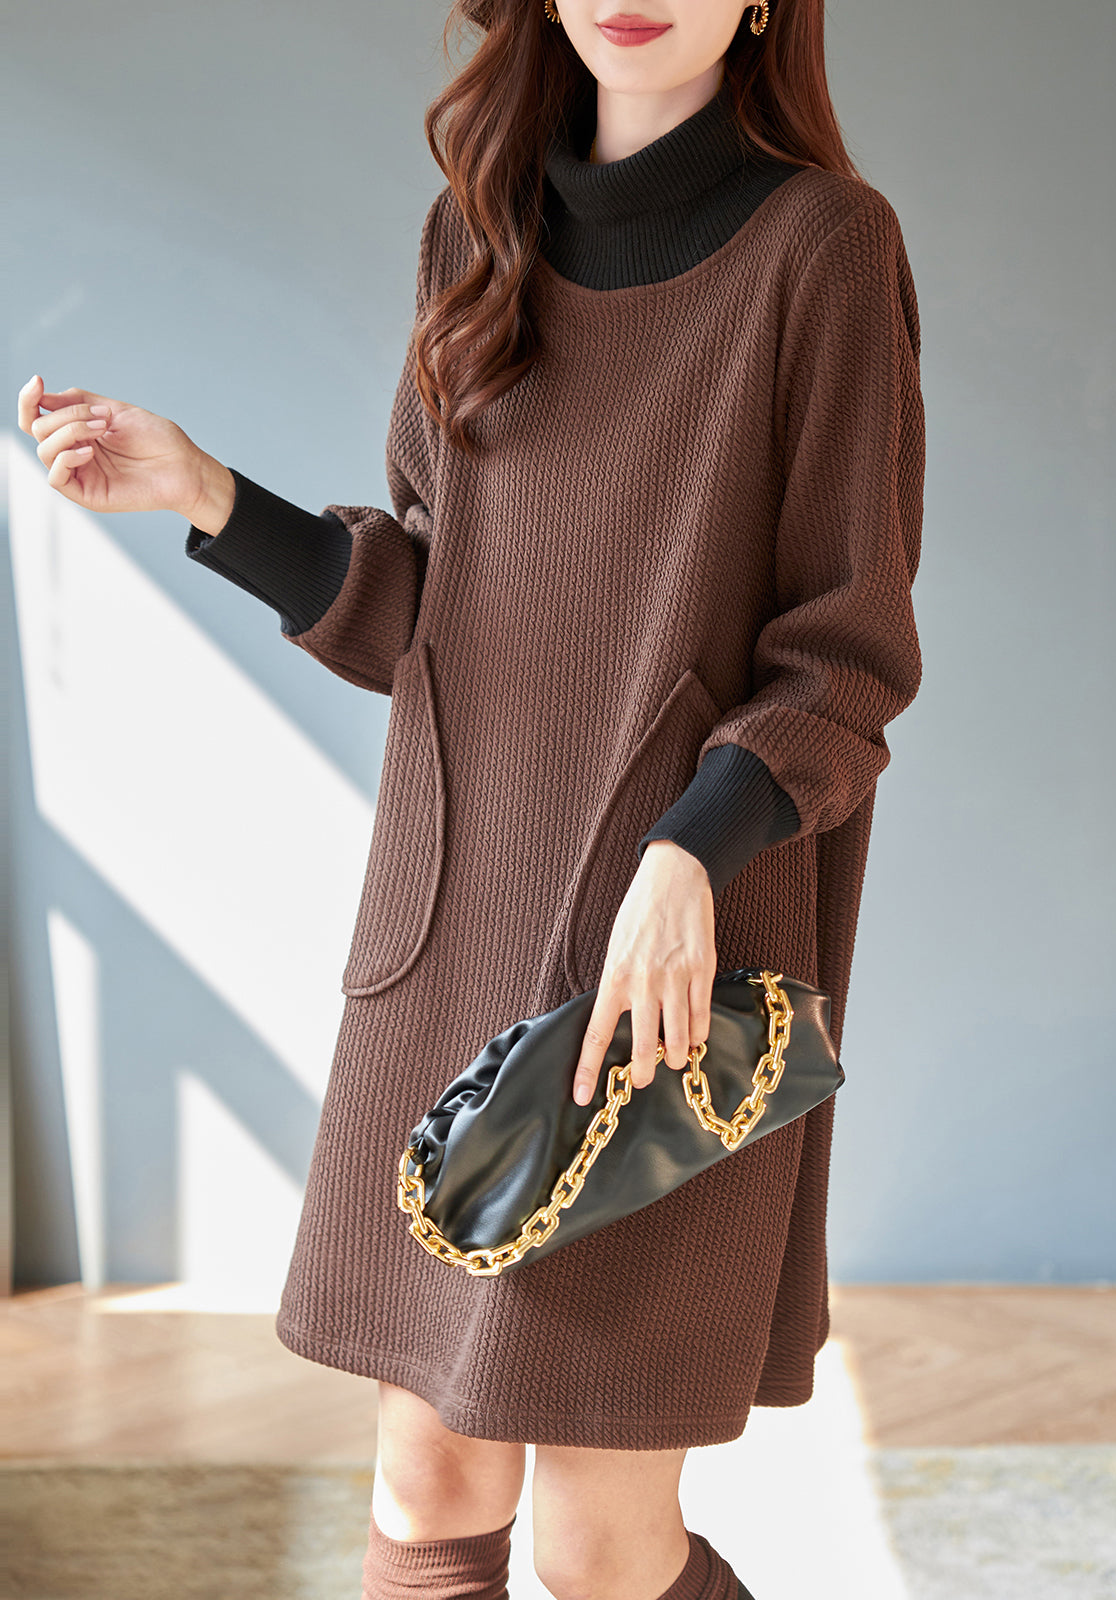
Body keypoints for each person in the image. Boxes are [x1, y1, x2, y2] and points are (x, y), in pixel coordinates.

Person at [16, 2, 926, 1597]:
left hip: (666, 963)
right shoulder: (474, 233)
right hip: (456, 927)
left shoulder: (824, 248)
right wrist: (205, 493)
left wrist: (687, 855)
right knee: (426, 1476)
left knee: (598, 1544)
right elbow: (429, 619)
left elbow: (842, 656)